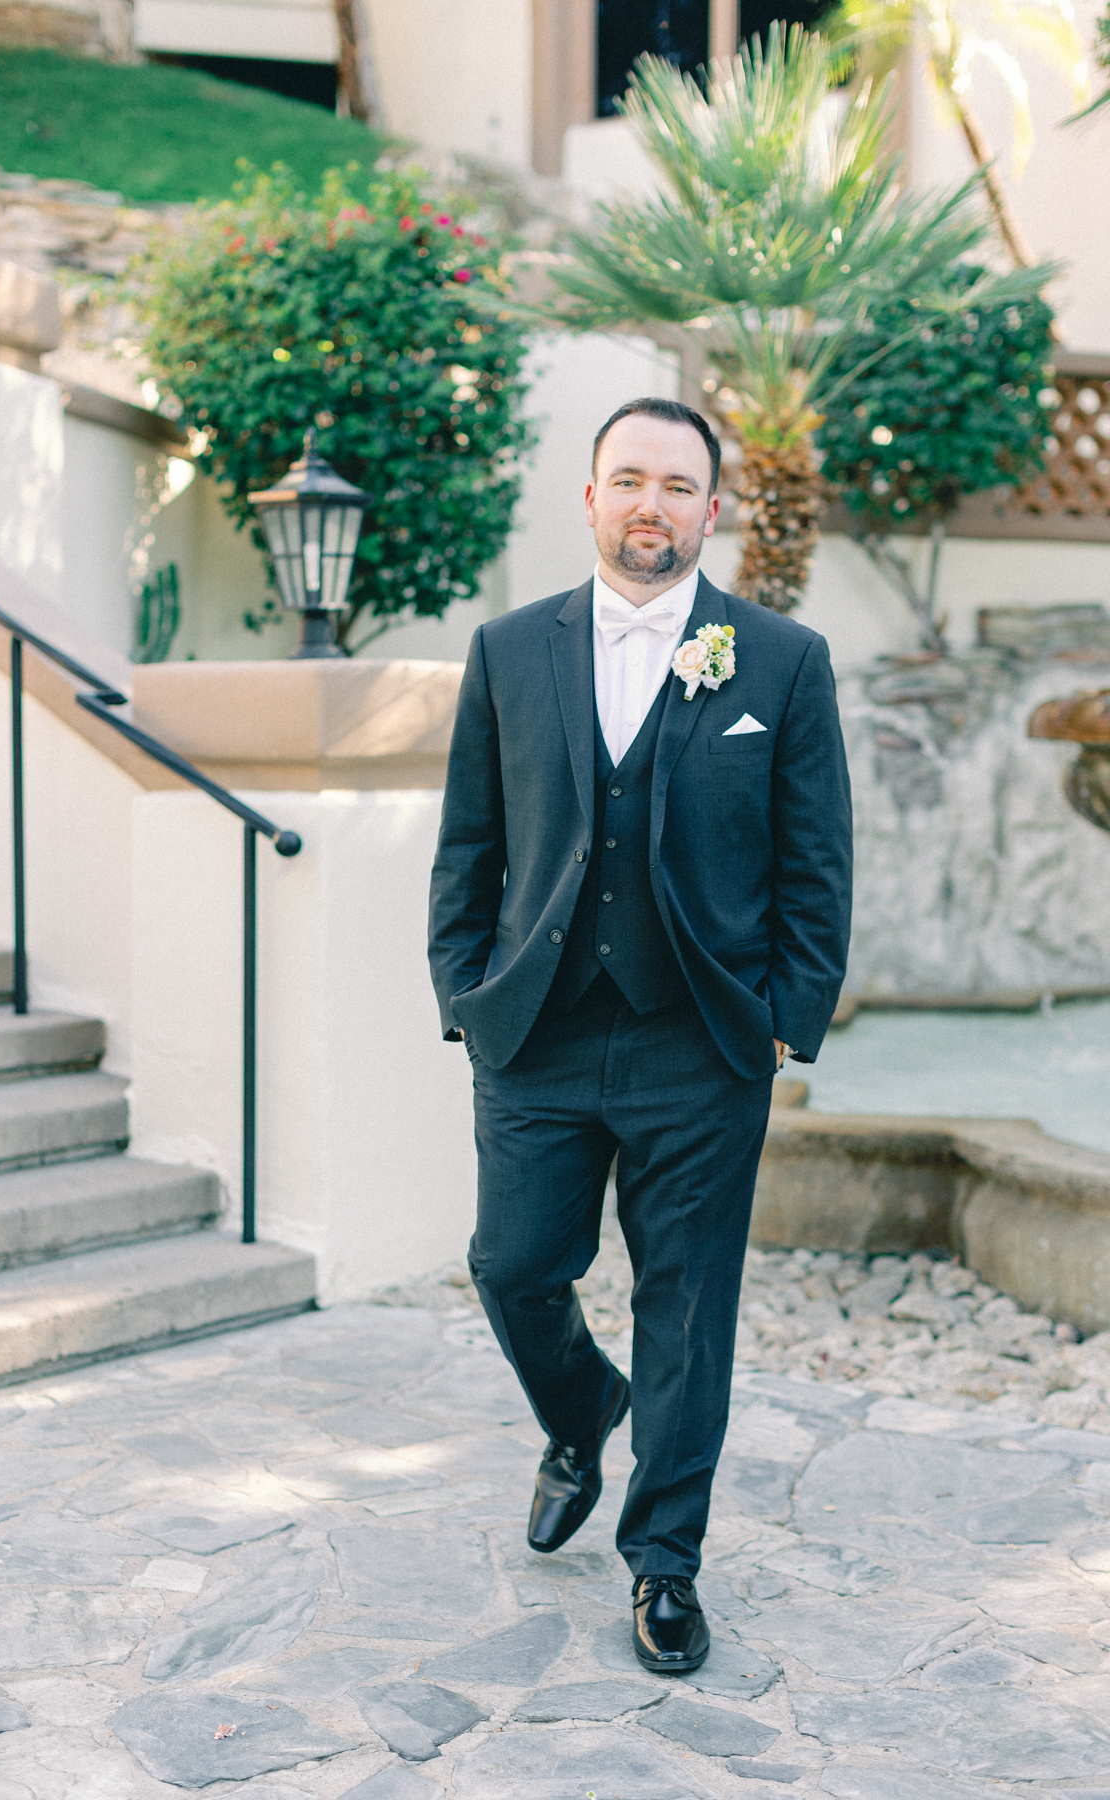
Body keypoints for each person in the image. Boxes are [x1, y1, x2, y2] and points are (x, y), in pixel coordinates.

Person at [428, 396, 852, 1673]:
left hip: (702, 1045)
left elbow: (816, 865)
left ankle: (664, 1564)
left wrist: (785, 1022)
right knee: (512, 1267)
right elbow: (471, 843)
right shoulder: (510, 650)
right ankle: (579, 1412)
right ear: (593, 497)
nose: (651, 504)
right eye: (630, 481)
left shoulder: (779, 660)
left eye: (678, 485)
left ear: (711, 510)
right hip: (538, 1037)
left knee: (686, 1312)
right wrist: (464, 990)